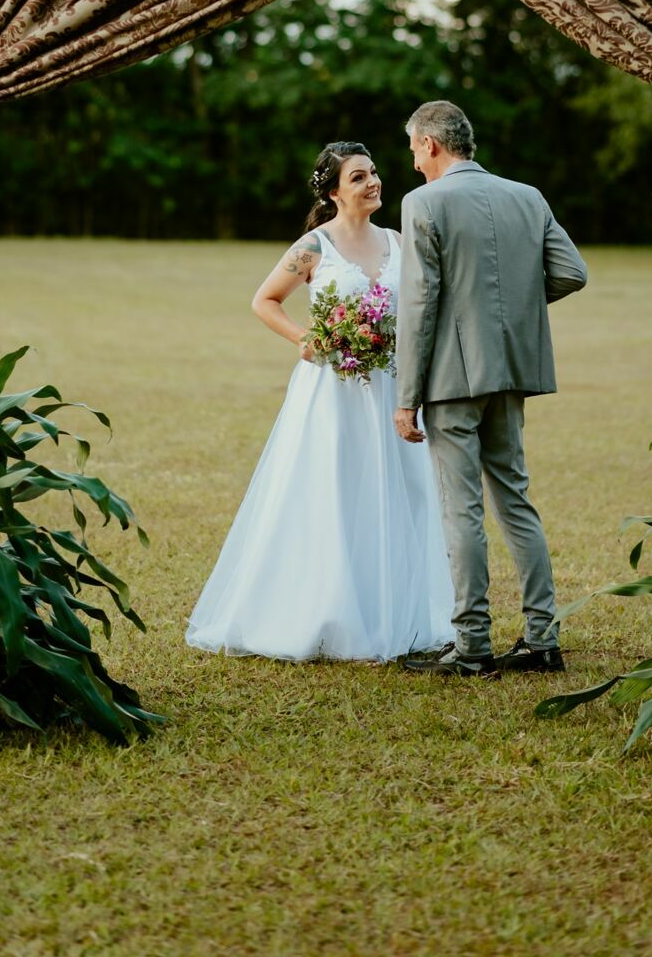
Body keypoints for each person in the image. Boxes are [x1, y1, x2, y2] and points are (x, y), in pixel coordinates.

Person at [186, 140, 454, 661]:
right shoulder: (314, 246)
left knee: (404, 494)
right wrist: (306, 340)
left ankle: (394, 612)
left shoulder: (400, 243)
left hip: (392, 391)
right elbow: (264, 301)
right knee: (332, 491)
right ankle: (327, 612)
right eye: (358, 177)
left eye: (373, 172)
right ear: (333, 191)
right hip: (332, 391)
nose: (373, 182)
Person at [394, 101, 587, 678]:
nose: (411, 161)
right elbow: (571, 272)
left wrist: (406, 397)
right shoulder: (528, 196)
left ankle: (473, 646)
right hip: (511, 370)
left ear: (430, 144)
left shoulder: (423, 202)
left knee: (463, 511)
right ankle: (542, 639)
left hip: (452, 381)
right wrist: (508, 314)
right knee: (516, 500)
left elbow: (421, 303)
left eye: (412, 149)